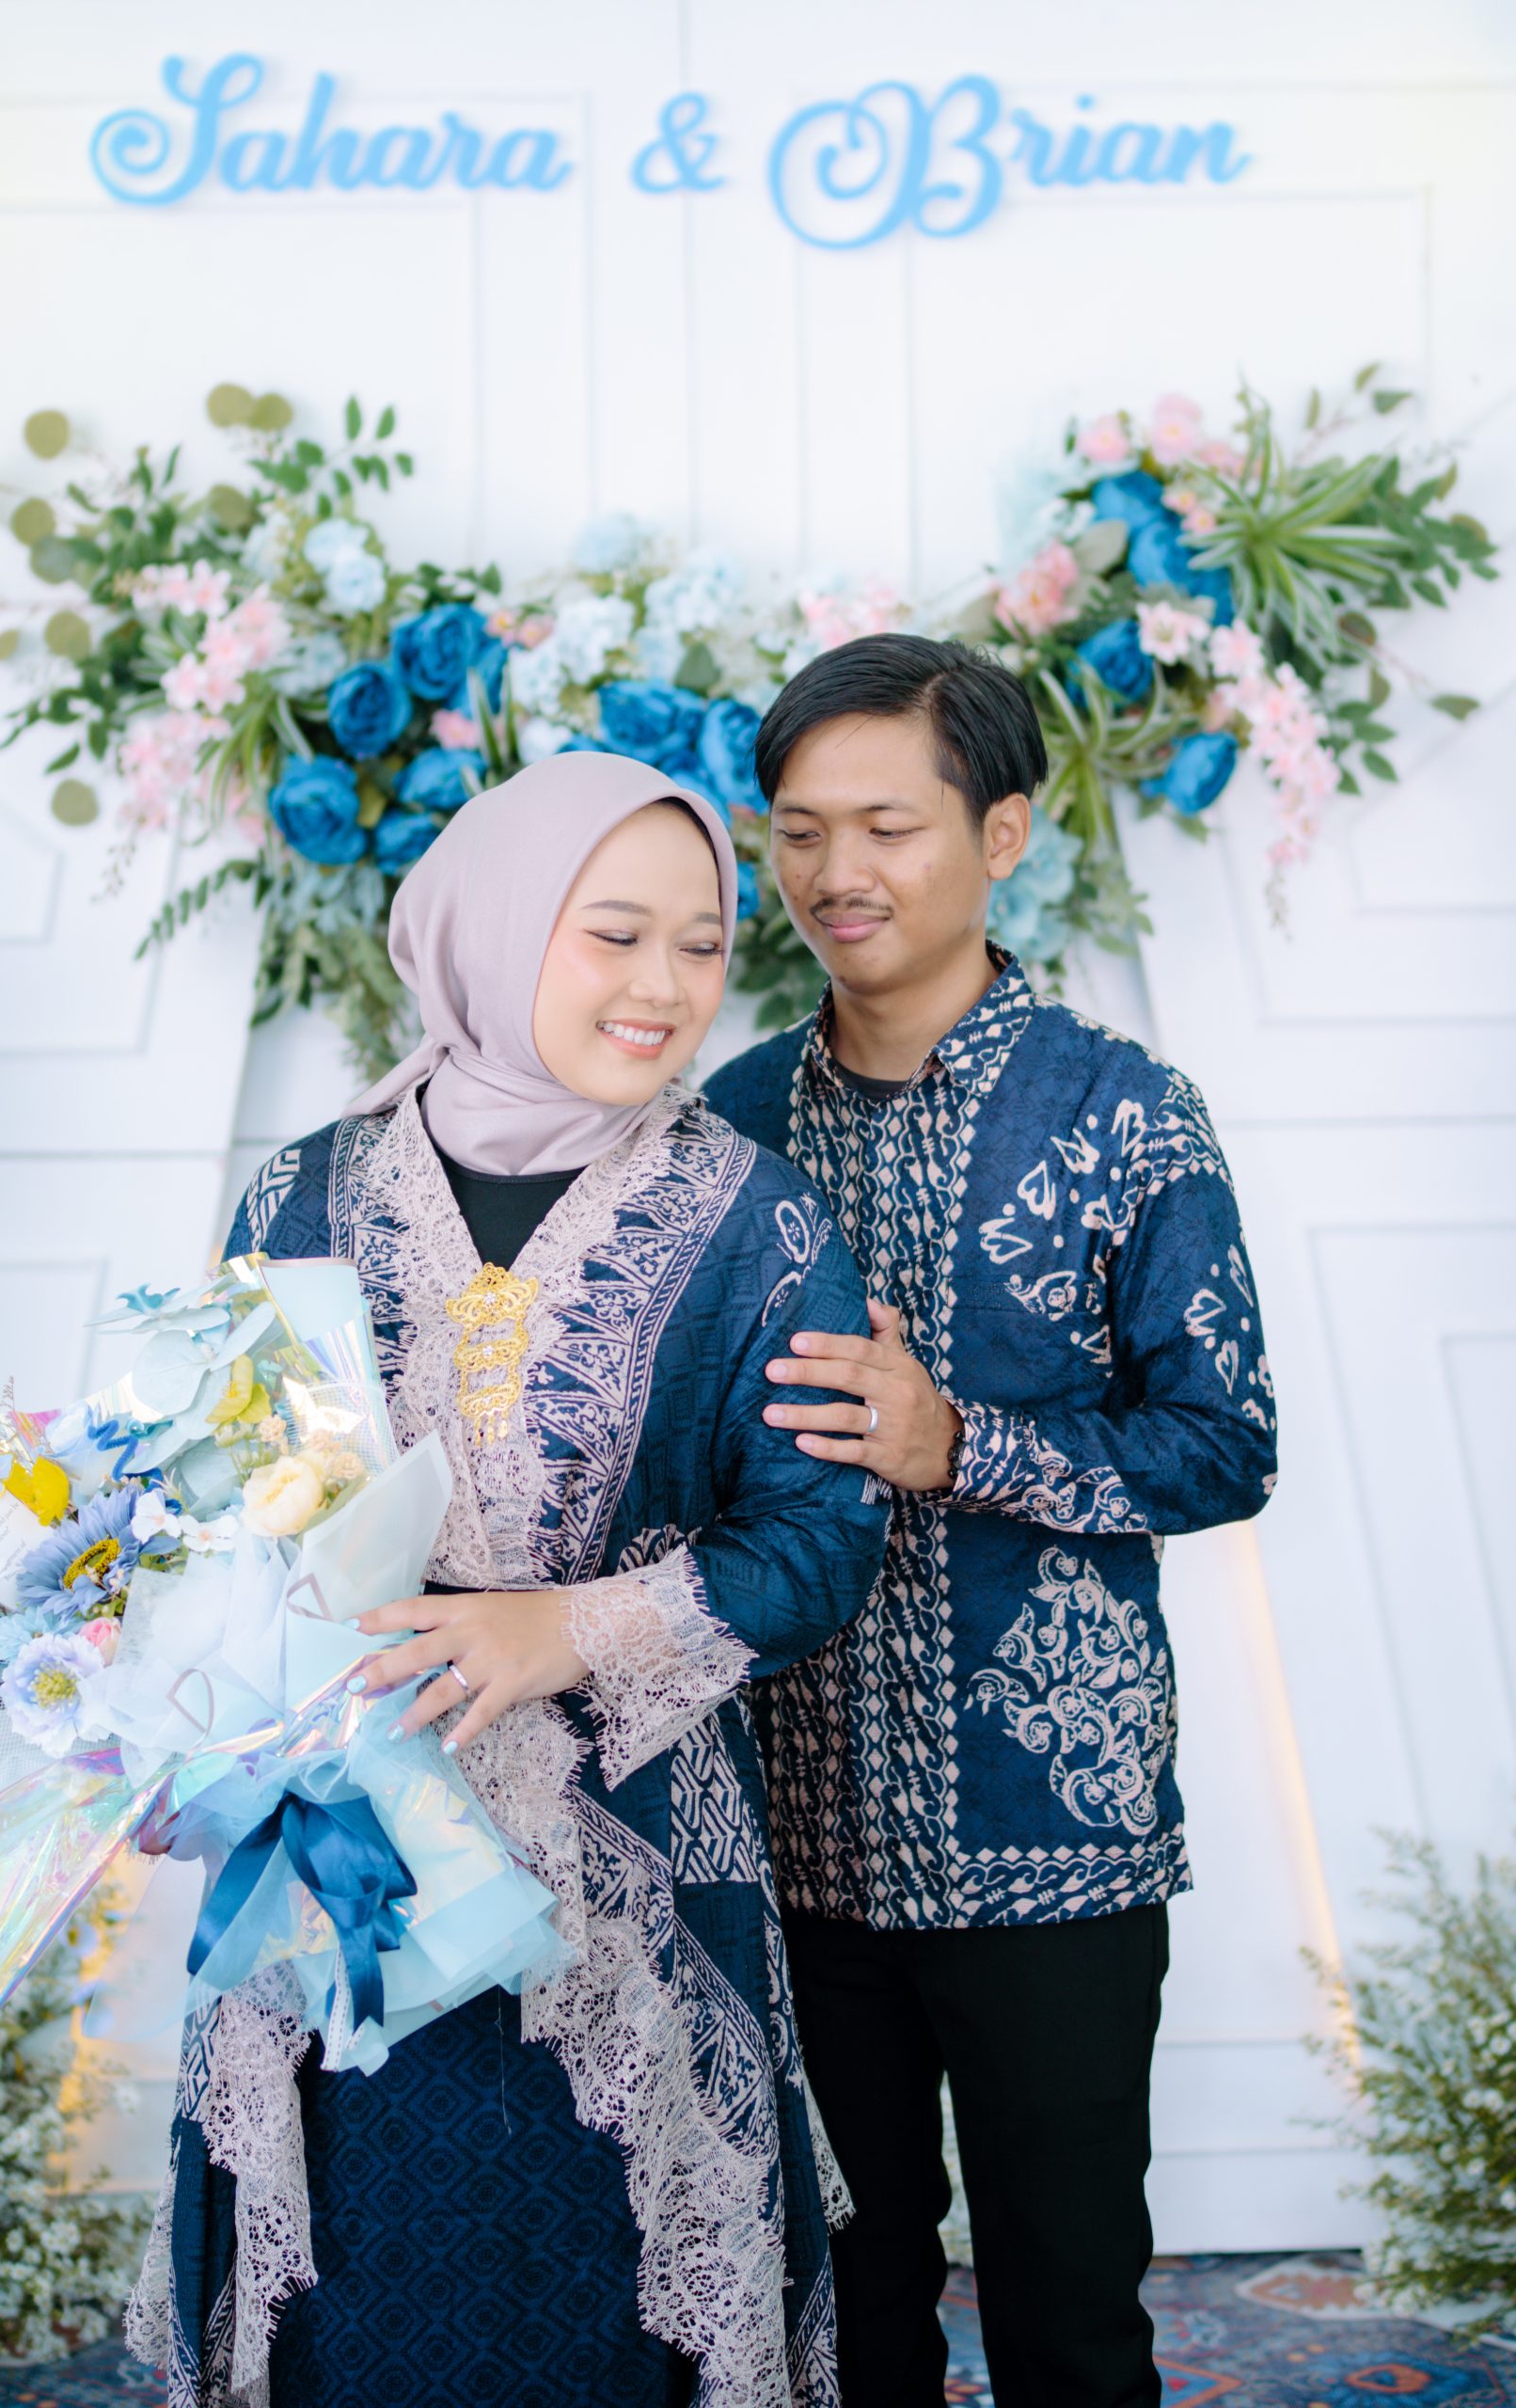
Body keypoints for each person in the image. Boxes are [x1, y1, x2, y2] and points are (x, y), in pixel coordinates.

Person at [131, 752, 890, 2408]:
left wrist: (567, 1630)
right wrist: (169, 1723)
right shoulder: (306, 1194)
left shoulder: (757, 1221)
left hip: (630, 1862)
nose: (664, 985)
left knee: (610, 2310)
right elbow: (214, 1509)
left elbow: (823, 1543)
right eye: (613, 933)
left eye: (702, 943)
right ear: (491, 928)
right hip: (339, 1859)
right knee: (354, 2298)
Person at [703, 636, 1279, 2408]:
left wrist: (964, 1443)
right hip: (789, 1838)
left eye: (888, 826)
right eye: (801, 831)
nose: (837, 873)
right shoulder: (727, 1127)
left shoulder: (1124, 1113)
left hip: (1056, 1832)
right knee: (838, 2315)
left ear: (1002, 833)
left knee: (1069, 2320)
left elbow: (1223, 1446)